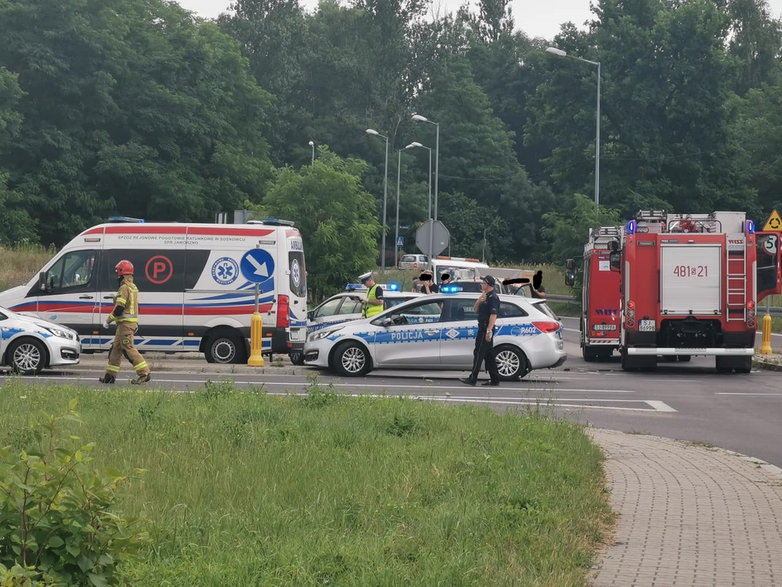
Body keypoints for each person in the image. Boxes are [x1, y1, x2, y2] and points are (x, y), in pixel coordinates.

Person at [99, 260, 151, 384]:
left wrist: (108, 320)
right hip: (126, 324)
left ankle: (144, 373)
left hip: (125, 325)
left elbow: (119, 308)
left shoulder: (124, 287)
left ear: (122, 274)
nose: (117, 276)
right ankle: (110, 377)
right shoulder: (133, 287)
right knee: (116, 349)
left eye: (118, 274)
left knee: (128, 347)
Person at [460, 275, 500, 386]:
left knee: (478, 353)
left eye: (483, 282)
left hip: (486, 328)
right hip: (482, 327)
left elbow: (493, 315)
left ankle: (473, 378)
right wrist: (479, 301)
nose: (481, 284)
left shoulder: (493, 297)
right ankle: (495, 379)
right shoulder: (485, 296)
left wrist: (488, 330)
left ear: (488, 284)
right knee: (489, 355)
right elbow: (476, 310)